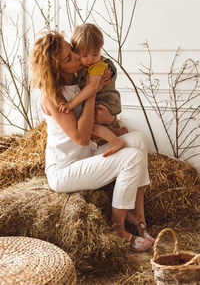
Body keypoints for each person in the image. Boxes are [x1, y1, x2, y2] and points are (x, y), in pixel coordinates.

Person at [29, 30, 155, 252]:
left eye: (72, 50)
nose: (79, 57)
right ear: (55, 68)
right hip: (64, 170)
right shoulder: (53, 96)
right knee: (131, 157)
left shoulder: (78, 81)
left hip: (86, 155)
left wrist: (110, 118)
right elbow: (81, 136)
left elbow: (96, 125)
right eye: (70, 58)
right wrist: (92, 91)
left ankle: (138, 215)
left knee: (138, 139)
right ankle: (120, 231)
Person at [56, 23, 128, 153]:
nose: (91, 59)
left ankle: (115, 141)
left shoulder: (99, 66)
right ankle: (118, 133)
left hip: (105, 101)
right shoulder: (82, 68)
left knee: (90, 126)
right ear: (77, 52)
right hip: (100, 101)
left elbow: (92, 87)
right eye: (85, 56)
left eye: (95, 54)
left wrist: (70, 104)